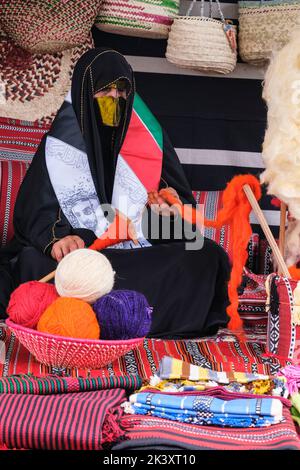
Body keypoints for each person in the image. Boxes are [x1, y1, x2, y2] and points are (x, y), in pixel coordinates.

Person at [0, 48, 230, 339]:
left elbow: (178, 225)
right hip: (82, 259)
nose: (115, 101)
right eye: (104, 93)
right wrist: (57, 240)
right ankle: (109, 317)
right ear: (84, 93)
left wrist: (169, 213)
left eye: (122, 93)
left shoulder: (148, 144)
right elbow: (35, 214)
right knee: (34, 261)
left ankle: (120, 317)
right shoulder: (58, 149)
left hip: (137, 257)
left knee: (205, 256)